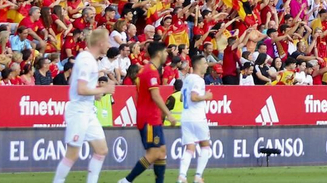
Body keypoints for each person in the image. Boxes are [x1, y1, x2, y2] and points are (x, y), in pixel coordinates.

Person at [52, 29, 115, 183]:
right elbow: (81, 89)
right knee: (72, 154)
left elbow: (78, 85)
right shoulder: (87, 61)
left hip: (88, 110)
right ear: (100, 43)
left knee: (102, 150)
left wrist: (96, 93)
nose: (109, 45)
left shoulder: (88, 59)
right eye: (107, 42)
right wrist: (103, 89)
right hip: (79, 111)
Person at [122, 40, 170, 183]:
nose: (167, 54)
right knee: (154, 153)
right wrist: (168, 114)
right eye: (166, 52)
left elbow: (141, 94)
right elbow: (155, 96)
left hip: (151, 116)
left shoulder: (146, 70)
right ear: (159, 53)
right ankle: (126, 181)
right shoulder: (150, 72)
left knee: (161, 152)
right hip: (149, 118)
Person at [176, 53, 213, 183]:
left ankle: (182, 176)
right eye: (205, 63)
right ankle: (198, 176)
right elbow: (194, 97)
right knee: (206, 146)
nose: (207, 65)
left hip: (186, 117)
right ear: (198, 65)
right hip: (197, 117)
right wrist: (206, 96)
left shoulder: (187, 79)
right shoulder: (198, 80)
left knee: (189, 148)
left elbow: (181, 98)